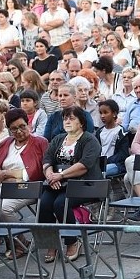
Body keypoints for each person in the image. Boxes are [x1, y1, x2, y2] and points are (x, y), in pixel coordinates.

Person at [0, 109, 49, 255]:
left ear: (28, 124)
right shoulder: (5, 143)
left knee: (3, 208)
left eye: (22, 126)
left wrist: (10, 173)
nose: (19, 131)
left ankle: (18, 243)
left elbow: (37, 172)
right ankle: (15, 239)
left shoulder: (40, 142)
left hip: (29, 187)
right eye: (14, 129)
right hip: (5, 185)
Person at [40, 107, 103, 262]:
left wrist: (60, 175)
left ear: (81, 122)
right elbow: (47, 159)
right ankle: (51, 243)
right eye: (65, 118)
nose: (67, 121)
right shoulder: (58, 139)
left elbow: (84, 165)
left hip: (84, 184)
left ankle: (72, 241)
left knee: (61, 204)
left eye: (72, 118)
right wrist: (50, 176)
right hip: (58, 183)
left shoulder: (89, 140)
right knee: (44, 204)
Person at [95, 99, 129, 178]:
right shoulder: (99, 132)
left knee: (99, 172)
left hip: (116, 164)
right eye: (101, 113)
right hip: (99, 164)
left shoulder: (121, 132)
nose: (102, 116)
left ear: (114, 114)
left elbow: (123, 154)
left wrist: (106, 161)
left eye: (106, 112)